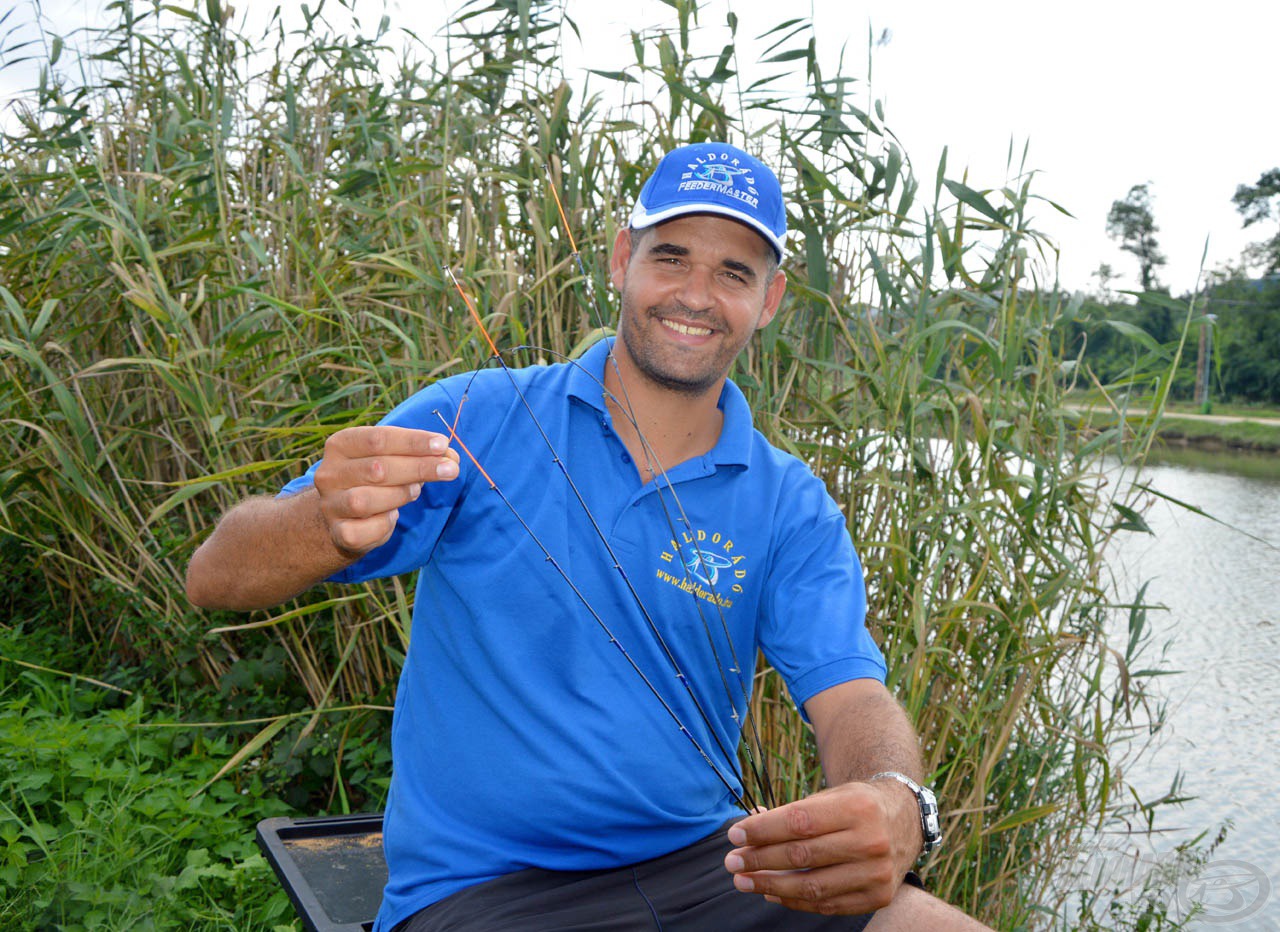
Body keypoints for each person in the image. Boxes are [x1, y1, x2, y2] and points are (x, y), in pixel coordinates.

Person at [187, 142, 989, 931]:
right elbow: (214, 577)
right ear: (620, 262)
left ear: (770, 301)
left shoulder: (790, 502)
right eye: (671, 257)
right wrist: (319, 524)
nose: (697, 294)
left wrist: (893, 796)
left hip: (714, 868)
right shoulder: (474, 419)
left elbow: (851, 694)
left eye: (733, 273)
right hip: (484, 890)